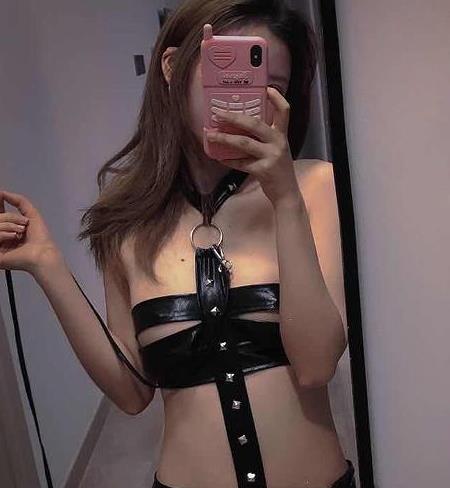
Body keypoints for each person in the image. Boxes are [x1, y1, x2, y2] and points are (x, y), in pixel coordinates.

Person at [0, 0, 356, 487]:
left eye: (270, 87)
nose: (245, 100)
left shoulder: (313, 186)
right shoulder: (128, 220)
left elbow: (317, 367)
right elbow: (131, 393)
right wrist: (46, 264)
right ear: (172, 67)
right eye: (231, 76)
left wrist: (285, 201)